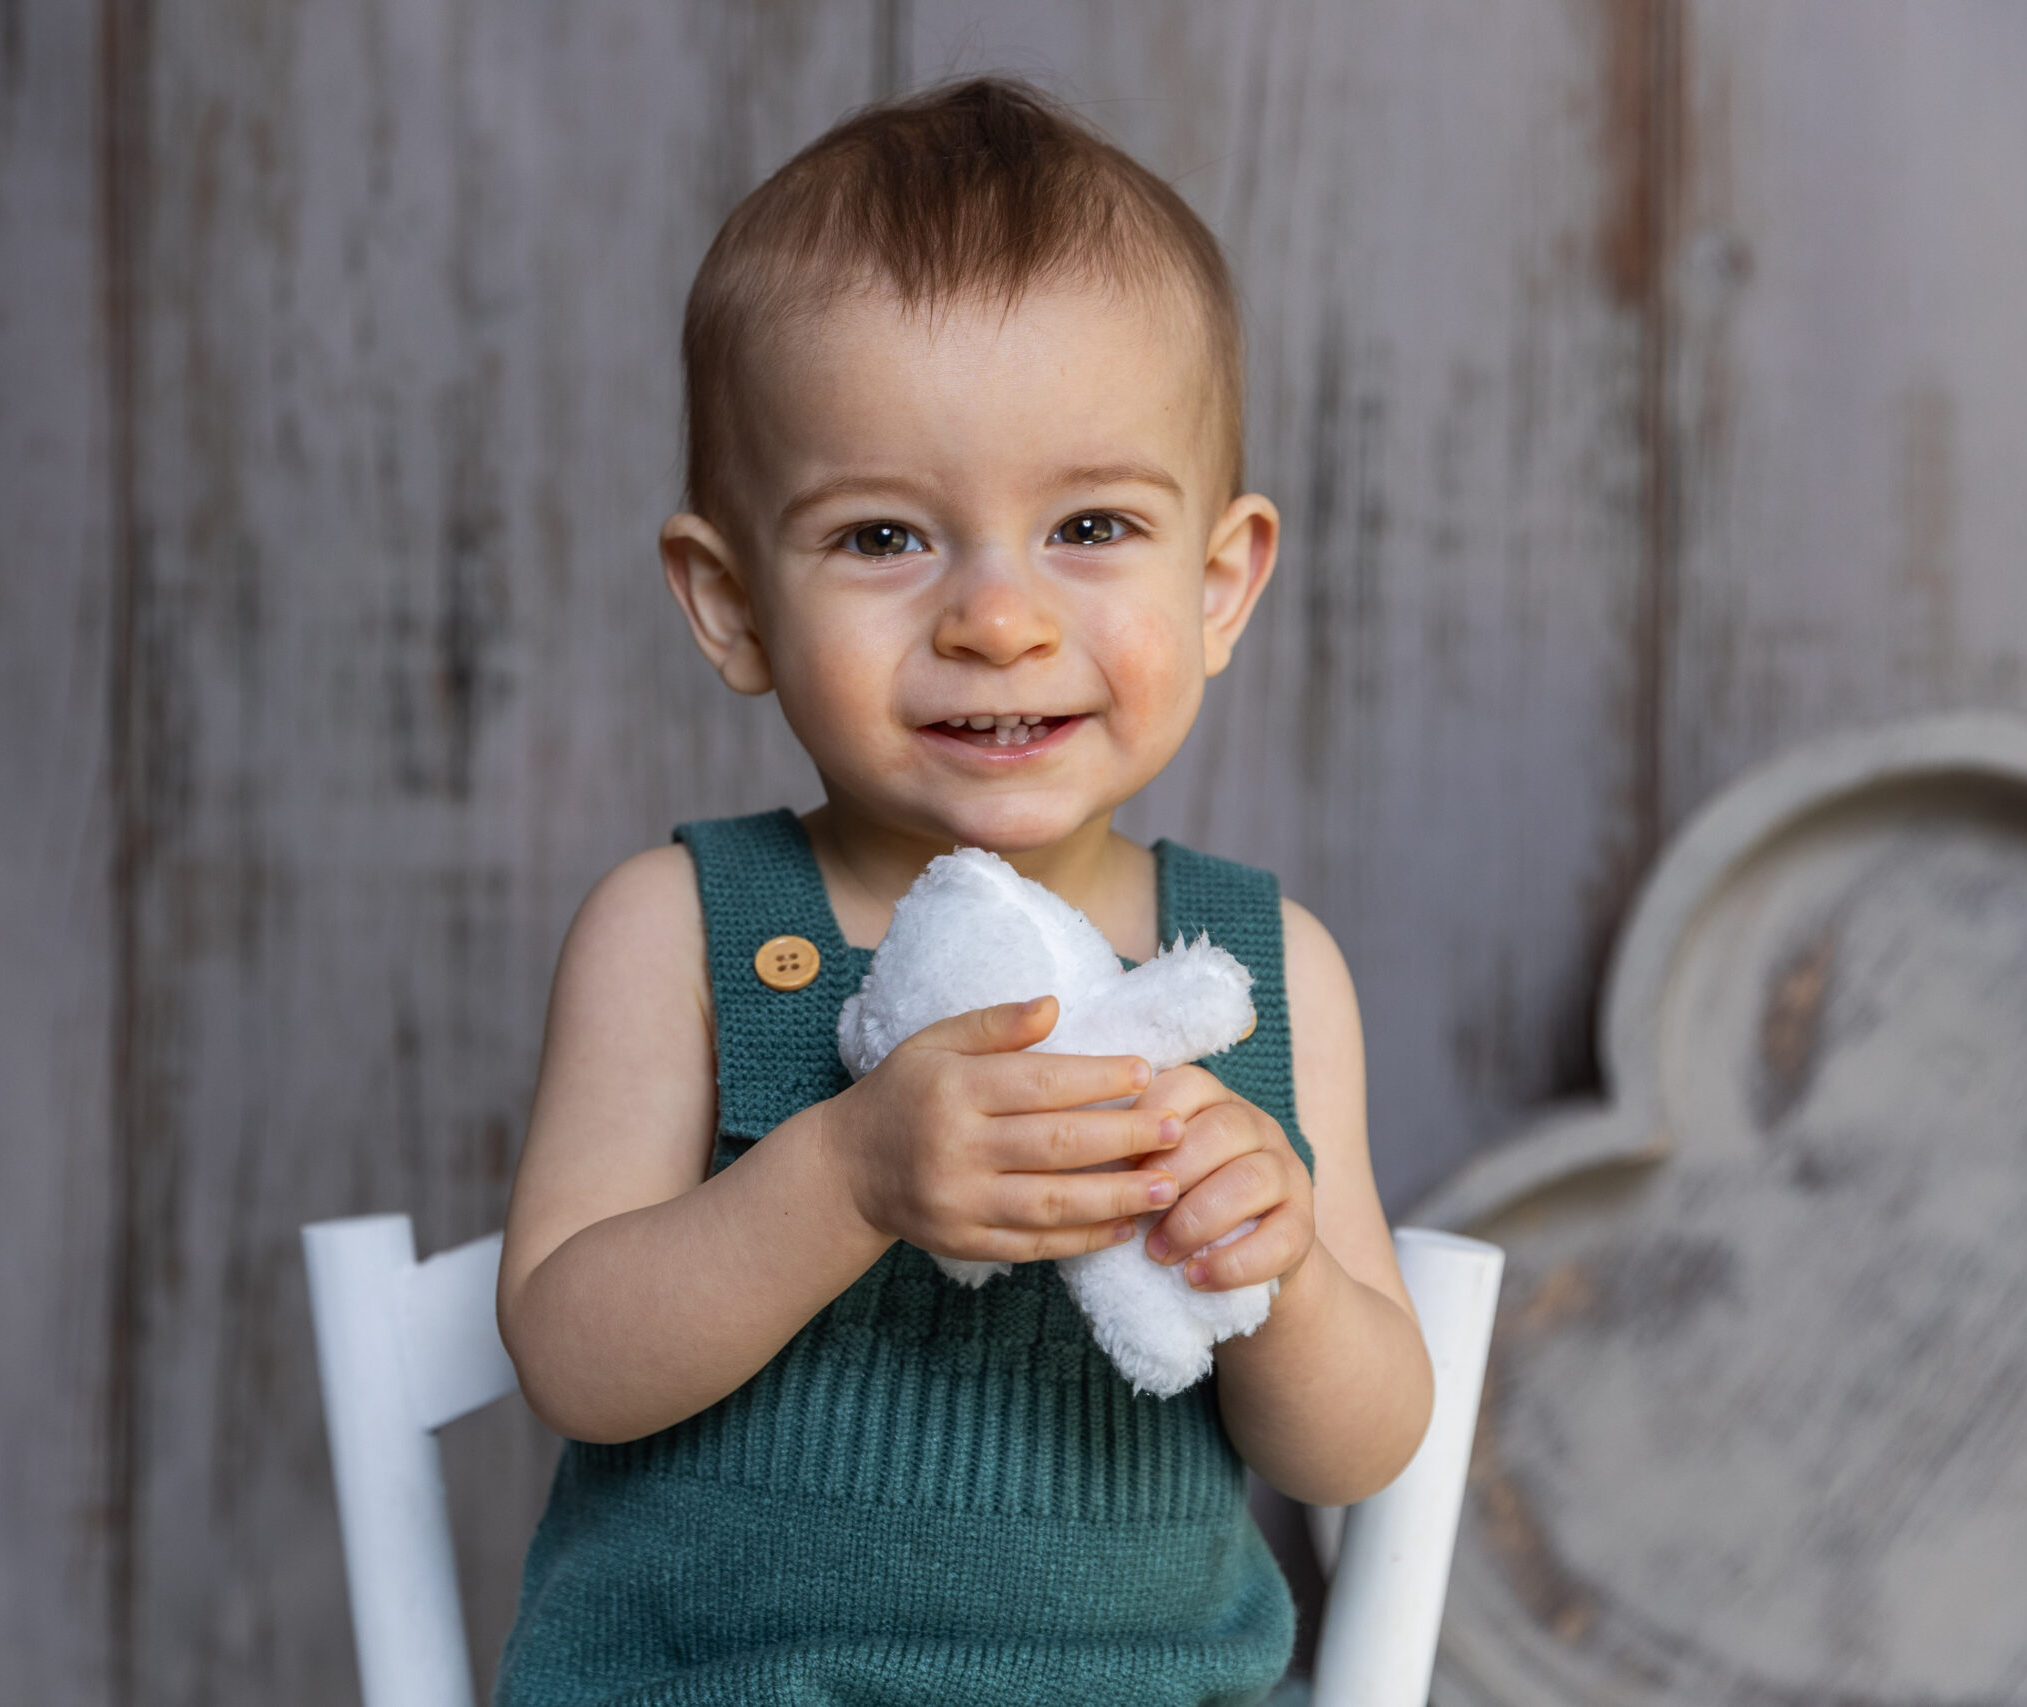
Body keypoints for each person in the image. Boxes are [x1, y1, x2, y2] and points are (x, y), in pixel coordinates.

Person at [493, 76, 1432, 1706]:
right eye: (881, 538)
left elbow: (1357, 1448)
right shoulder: (683, 931)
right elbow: (575, 1361)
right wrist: (848, 1179)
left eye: (1089, 525)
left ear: (1219, 585)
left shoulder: (1267, 969)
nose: (997, 619)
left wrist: (1269, 1258)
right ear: (731, 605)